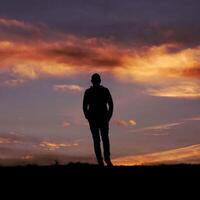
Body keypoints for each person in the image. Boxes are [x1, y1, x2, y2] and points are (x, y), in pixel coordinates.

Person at [83, 73, 114, 166]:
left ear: (99, 81)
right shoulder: (88, 92)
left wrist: (108, 116)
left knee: (104, 138)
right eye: (95, 80)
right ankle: (100, 161)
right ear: (92, 81)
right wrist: (88, 116)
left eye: (97, 80)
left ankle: (106, 159)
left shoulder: (105, 90)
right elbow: (84, 106)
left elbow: (111, 104)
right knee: (97, 140)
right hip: (93, 119)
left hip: (103, 118)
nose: (96, 81)